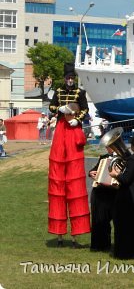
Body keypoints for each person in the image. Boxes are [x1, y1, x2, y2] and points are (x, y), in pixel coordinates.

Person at [48, 63, 90, 247]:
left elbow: (85, 109)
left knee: (74, 180)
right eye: (67, 78)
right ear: (64, 79)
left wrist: (77, 120)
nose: (70, 80)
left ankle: (76, 233)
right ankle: (58, 233)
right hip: (60, 131)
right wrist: (58, 110)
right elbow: (51, 106)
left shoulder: (80, 93)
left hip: (73, 130)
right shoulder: (57, 92)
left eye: (72, 78)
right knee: (58, 179)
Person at [88, 147, 118, 252]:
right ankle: (100, 245)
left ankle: (118, 246)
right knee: (100, 220)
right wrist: (91, 172)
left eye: (110, 146)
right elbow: (95, 169)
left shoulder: (123, 159)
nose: (107, 148)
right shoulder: (103, 158)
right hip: (101, 192)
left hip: (115, 193)